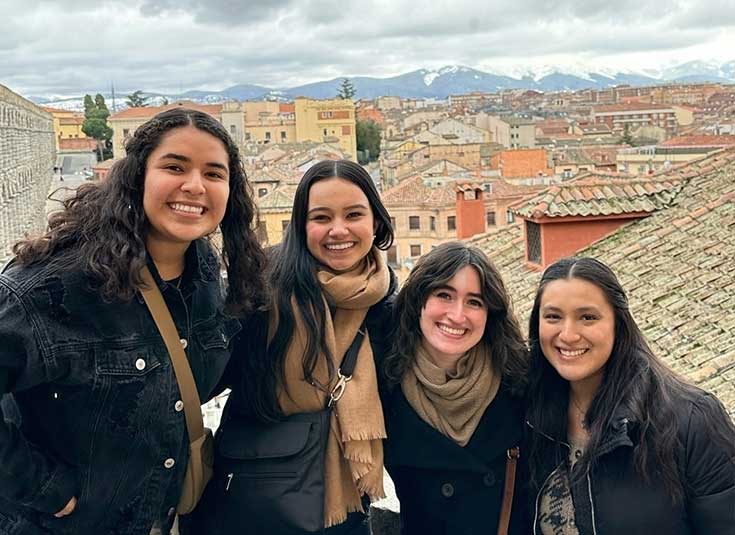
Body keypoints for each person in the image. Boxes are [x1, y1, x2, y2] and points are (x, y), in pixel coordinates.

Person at [0, 108, 267, 534]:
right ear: (138, 175)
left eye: (214, 173)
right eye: (175, 166)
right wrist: (45, 487)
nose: (195, 186)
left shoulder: (205, 279)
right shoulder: (53, 287)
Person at [194, 159, 397, 535]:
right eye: (321, 217)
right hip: (255, 504)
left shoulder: (385, 305)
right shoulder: (262, 290)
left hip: (345, 510)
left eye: (354, 214)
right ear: (301, 226)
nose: (339, 230)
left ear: (376, 222)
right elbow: (209, 376)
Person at [524, 257, 735, 534]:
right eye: (553, 316)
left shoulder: (692, 421)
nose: (568, 334)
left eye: (588, 317)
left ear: (618, 324)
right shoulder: (528, 417)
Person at [380, 241, 528, 535]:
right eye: (444, 295)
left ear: (490, 313)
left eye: (474, 301)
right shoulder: (384, 383)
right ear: (419, 300)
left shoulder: (521, 382)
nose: (457, 316)